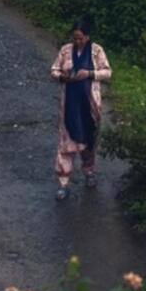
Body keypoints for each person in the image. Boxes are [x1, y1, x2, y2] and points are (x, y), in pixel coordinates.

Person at [50, 17, 112, 199]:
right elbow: (54, 70)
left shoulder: (96, 51)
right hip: (69, 102)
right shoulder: (65, 51)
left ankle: (89, 170)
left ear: (87, 37)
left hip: (89, 104)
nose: (77, 41)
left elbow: (107, 72)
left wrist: (90, 74)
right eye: (74, 38)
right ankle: (63, 182)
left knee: (88, 139)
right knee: (66, 142)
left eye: (80, 38)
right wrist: (63, 77)